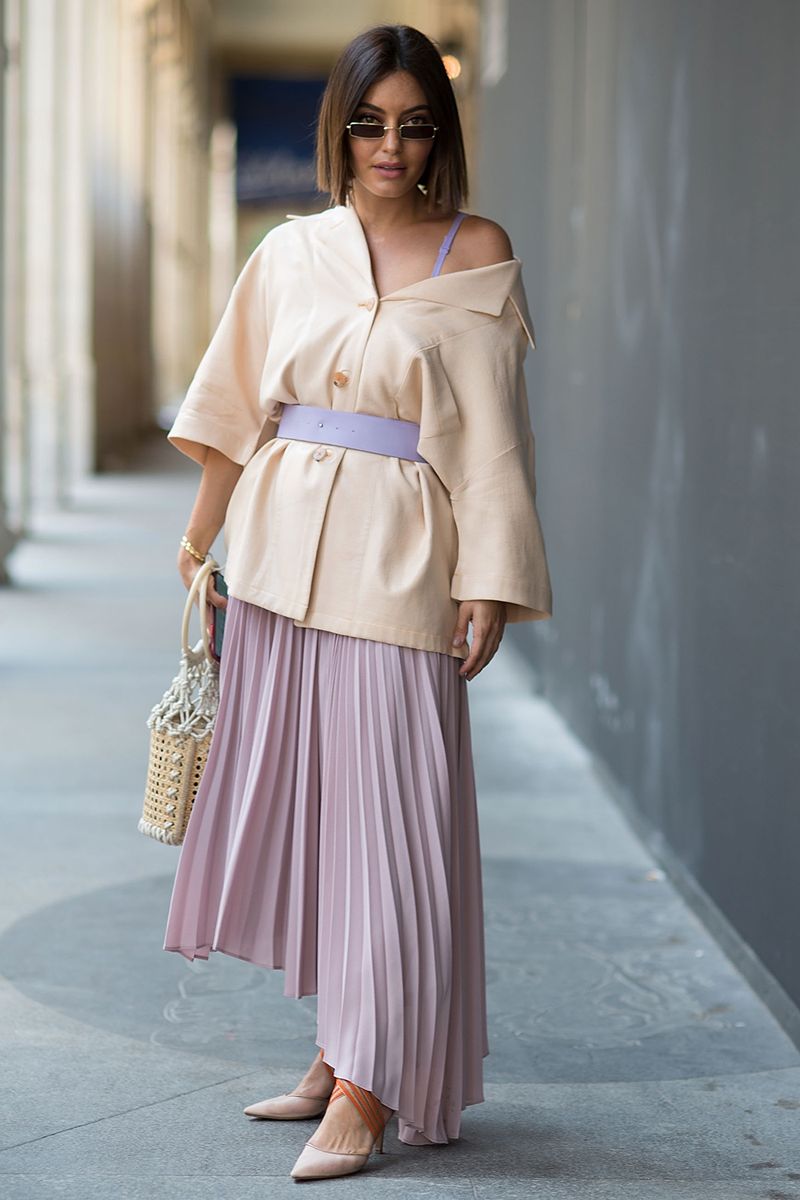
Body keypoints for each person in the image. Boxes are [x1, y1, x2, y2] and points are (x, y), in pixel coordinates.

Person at [161, 22, 552, 1182]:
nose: (391, 144)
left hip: (399, 566)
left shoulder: (472, 248)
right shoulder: (288, 254)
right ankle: (342, 1049)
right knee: (320, 820)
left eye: (415, 122)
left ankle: (375, 1093)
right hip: (278, 558)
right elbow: (234, 403)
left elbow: (491, 440)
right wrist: (195, 543)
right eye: (371, 121)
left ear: (440, 132)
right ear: (339, 127)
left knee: (392, 828)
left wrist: (488, 580)